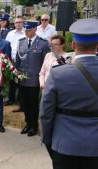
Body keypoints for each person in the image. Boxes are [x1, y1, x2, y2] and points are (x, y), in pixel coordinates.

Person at [40, 18, 98, 169]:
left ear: (73, 44)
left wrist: (48, 140)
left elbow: (46, 112)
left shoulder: (59, 74)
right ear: (97, 46)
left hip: (64, 145)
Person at [15, 20, 50, 136]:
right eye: (25, 29)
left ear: (35, 29)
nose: (26, 32)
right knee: (24, 104)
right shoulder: (21, 42)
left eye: (29, 30)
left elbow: (46, 63)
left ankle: (34, 126)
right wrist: (17, 74)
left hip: (35, 80)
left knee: (33, 105)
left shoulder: (43, 44)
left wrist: (43, 80)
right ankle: (27, 123)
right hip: (23, 79)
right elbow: (18, 60)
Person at [4, 16, 25, 108]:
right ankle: (11, 99)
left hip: (22, 61)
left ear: (23, 23)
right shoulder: (10, 34)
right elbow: (6, 46)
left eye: (20, 22)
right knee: (12, 81)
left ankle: (21, 100)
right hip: (11, 60)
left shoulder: (25, 34)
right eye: (16, 22)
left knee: (21, 80)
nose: (18, 24)